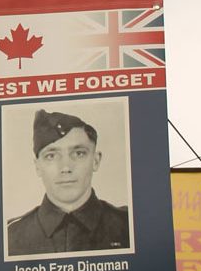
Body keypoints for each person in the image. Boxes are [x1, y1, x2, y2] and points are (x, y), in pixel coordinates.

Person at [7, 109, 130, 256]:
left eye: (78, 153)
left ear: (96, 161)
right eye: (51, 156)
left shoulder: (129, 225)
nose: (65, 168)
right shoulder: (10, 235)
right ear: (38, 166)